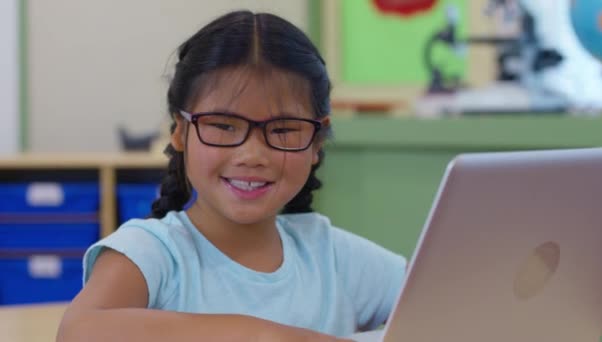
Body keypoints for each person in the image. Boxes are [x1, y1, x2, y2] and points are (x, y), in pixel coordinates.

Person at [57, 10, 406, 342]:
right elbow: (79, 331)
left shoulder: (329, 253)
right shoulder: (153, 252)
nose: (252, 156)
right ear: (180, 131)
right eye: (223, 125)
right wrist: (263, 334)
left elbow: (448, 303)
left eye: (283, 130)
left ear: (316, 142)